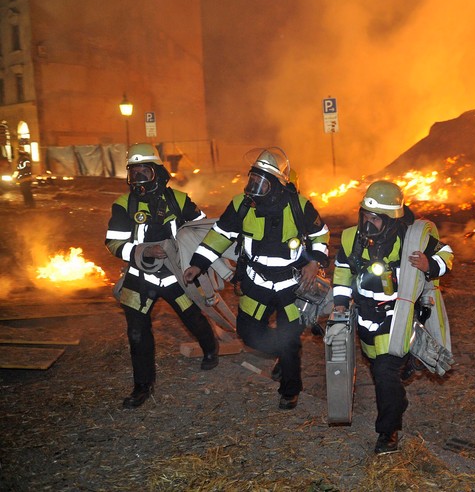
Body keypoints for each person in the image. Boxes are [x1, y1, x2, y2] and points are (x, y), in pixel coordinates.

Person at [183, 147, 330, 410]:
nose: (254, 187)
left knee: (289, 337)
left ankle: (290, 390)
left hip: (291, 287)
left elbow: (321, 235)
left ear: (276, 185)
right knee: (248, 334)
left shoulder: (299, 205)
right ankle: (284, 355)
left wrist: (314, 263)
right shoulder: (241, 204)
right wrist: (198, 264)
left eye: (262, 182)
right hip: (256, 282)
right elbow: (219, 235)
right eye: (253, 179)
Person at [332, 180, 454, 454]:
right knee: (379, 369)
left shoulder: (412, 238)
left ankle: (388, 432)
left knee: (384, 373)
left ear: (390, 219)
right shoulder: (352, 237)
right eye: (365, 215)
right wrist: (340, 302)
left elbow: (447, 253)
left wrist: (430, 264)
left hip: (398, 319)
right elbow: (342, 270)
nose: (367, 223)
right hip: (365, 321)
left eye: (374, 218)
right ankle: (400, 386)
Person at [105, 143, 219, 409]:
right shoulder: (123, 205)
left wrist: (196, 261)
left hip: (175, 276)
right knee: (137, 332)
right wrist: (144, 252)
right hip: (138, 278)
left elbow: (201, 228)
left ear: (157, 172)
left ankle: (210, 347)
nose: (138, 180)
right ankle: (142, 386)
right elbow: (113, 243)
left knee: (192, 317)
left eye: (144, 173)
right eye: (133, 174)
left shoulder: (178, 199)